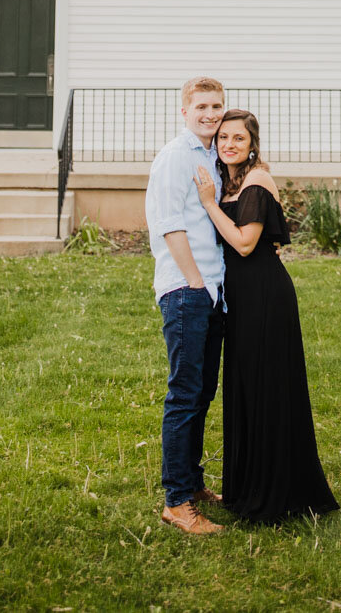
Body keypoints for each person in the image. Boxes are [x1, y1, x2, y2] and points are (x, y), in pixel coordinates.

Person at [193, 110, 339, 524]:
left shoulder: (256, 181)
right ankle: (246, 489)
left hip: (265, 298)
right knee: (245, 389)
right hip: (240, 298)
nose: (229, 144)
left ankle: (276, 494)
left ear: (252, 143)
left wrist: (208, 204)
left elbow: (243, 243)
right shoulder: (233, 180)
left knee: (267, 389)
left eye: (238, 138)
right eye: (223, 137)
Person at [144, 76, 226, 535]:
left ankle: (192, 484)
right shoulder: (176, 157)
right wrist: (194, 280)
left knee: (202, 393)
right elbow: (167, 222)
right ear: (184, 111)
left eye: (217, 106)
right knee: (184, 394)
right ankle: (176, 502)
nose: (211, 114)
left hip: (212, 291)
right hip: (185, 291)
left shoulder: (210, 156)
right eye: (202, 107)